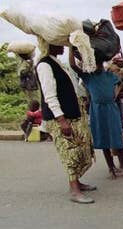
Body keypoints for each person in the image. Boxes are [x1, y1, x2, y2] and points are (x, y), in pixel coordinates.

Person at [36, 43, 95, 204]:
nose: (62, 46)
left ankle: (78, 183)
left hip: (71, 115)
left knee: (80, 150)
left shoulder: (55, 62)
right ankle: (74, 190)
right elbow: (49, 95)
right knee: (69, 153)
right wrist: (61, 120)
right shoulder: (44, 65)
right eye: (58, 43)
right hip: (61, 118)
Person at [69, 52, 123, 180]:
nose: (96, 66)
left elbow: (120, 84)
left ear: (101, 63)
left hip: (111, 108)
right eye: (93, 63)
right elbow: (73, 65)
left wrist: (115, 94)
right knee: (104, 140)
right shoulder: (88, 77)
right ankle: (111, 168)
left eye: (97, 63)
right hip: (97, 110)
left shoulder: (109, 75)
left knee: (117, 138)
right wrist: (70, 48)